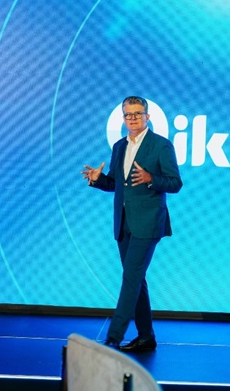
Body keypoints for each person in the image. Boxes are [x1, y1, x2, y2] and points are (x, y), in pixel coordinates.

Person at [81, 96, 183, 352]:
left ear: (147, 116)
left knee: (131, 278)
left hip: (148, 223)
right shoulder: (119, 146)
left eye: (138, 114)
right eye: (129, 114)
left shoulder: (161, 145)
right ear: (123, 118)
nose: (133, 118)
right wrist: (97, 179)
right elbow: (116, 184)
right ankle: (146, 336)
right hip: (123, 223)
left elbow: (175, 183)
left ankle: (112, 338)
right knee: (137, 279)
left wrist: (151, 178)